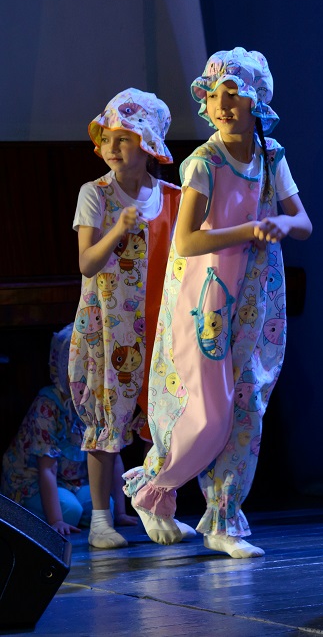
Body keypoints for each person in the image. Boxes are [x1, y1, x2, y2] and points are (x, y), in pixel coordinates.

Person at [123, 48, 312, 558]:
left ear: (255, 101)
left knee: (247, 403)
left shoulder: (272, 156)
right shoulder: (204, 163)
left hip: (257, 294)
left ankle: (224, 520)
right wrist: (248, 230)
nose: (222, 104)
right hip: (207, 295)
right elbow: (186, 241)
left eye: (233, 94)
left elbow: (303, 222)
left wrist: (280, 223)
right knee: (207, 409)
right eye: (213, 95)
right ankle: (154, 487)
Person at [69, 88, 180, 548]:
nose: (112, 147)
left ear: (148, 145)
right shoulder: (95, 194)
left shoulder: (173, 197)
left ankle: (159, 506)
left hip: (161, 324)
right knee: (106, 419)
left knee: (164, 420)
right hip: (109, 327)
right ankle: (101, 519)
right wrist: (118, 227)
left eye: (125, 138)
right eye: (107, 138)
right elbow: (87, 263)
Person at [1, 325, 133, 536]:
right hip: (32, 481)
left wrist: (120, 513)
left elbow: (113, 457)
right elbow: (47, 468)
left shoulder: (99, 402)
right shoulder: (49, 404)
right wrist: (56, 521)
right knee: (70, 512)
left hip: (72, 482)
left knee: (104, 507)